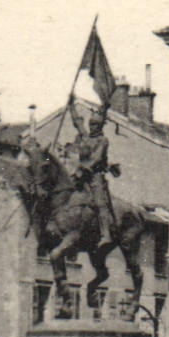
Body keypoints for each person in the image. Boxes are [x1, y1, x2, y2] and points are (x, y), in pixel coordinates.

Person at [70, 103, 116, 248]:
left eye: (95, 124)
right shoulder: (85, 137)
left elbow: (96, 158)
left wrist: (83, 170)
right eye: (91, 124)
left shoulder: (103, 140)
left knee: (99, 203)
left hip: (94, 176)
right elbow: (78, 123)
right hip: (80, 174)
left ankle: (105, 234)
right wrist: (71, 106)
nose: (92, 127)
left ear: (100, 126)